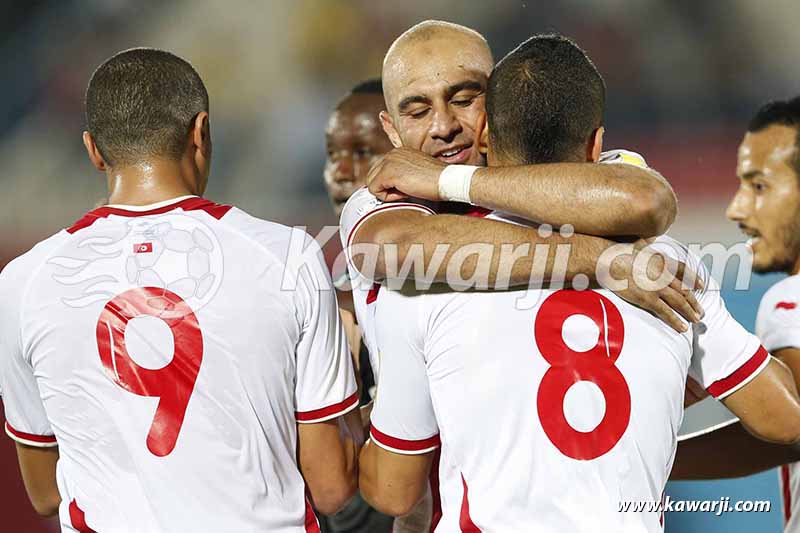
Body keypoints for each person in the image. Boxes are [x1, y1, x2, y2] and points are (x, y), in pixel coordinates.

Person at [357, 34, 800, 532]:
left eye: (461, 101)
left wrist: (342, 419)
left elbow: (393, 489)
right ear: (595, 144)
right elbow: (785, 419)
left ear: (486, 130)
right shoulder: (663, 264)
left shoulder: (423, 278)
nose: (443, 127)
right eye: (419, 111)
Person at [0, 48, 362, 532]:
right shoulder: (288, 255)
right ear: (202, 131)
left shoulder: (23, 281)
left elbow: (45, 492)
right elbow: (331, 487)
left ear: (93, 150)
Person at [671, 96, 800, 530]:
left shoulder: (791, 300)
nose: (736, 209)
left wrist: (648, 459)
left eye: (759, 187)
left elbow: (791, 429)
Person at [318, 79, 394, 533]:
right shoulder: (329, 295)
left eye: (363, 151)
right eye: (332, 153)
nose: (341, 170)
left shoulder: (461, 275)